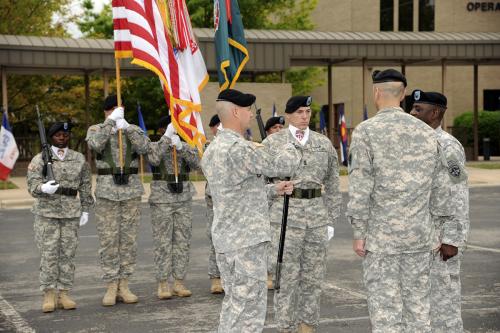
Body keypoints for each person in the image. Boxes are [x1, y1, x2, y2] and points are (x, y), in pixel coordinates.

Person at [347, 69, 455, 333]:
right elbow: (441, 188)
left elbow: (361, 186)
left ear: (376, 93)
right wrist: (438, 230)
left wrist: (359, 232)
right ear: (403, 93)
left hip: (382, 239)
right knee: (418, 309)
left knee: (385, 313)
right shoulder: (427, 133)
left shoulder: (366, 131)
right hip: (420, 237)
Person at [201, 89, 300, 333]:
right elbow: (286, 163)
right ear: (236, 111)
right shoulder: (239, 149)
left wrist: (272, 190)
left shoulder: (213, 149)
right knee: (250, 309)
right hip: (245, 242)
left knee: (235, 305)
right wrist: (289, 140)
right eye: (247, 110)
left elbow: (234, 192)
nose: (249, 115)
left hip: (229, 239)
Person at [263, 96, 341, 333]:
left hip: (316, 217)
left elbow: (334, 183)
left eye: (307, 111)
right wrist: (272, 191)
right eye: (299, 112)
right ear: (287, 116)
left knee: (313, 277)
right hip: (285, 218)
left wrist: (330, 219)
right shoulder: (272, 143)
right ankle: (285, 326)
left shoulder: (323, 143)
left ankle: (308, 325)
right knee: (285, 278)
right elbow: (258, 183)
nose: (305, 116)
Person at [410, 89, 469, 332]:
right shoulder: (416, 143)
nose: (412, 113)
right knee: (420, 305)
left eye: (418, 109)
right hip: (419, 237)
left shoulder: (447, 146)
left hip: (441, 239)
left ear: (435, 113)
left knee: (444, 304)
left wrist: (452, 239)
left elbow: (458, 194)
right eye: (412, 108)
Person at [86, 95, 150, 306]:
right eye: (111, 109)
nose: (115, 112)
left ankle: (124, 284)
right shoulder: (96, 129)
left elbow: (144, 149)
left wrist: (128, 127)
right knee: (109, 241)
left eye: (118, 109)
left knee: (128, 241)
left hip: (130, 191)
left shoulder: (132, 130)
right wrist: (110, 122)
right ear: (106, 111)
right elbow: (95, 145)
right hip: (107, 192)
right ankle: (111, 286)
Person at [27, 121, 93, 312]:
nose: (62, 138)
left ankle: (64, 293)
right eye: (58, 135)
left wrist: (86, 208)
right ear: (51, 137)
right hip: (46, 213)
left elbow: (86, 186)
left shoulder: (79, 158)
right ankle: (49, 294)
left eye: (65, 135)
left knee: (67, 254)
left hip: (71, 212)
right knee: (49, 254)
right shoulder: (39, 159)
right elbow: (32, 186)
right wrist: (43, 188)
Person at [147, 116, 200, 299]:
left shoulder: (185, 145)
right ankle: (163, 283)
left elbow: (197, 164)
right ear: (162, 130)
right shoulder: (155, 145)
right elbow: (153, 159)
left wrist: (182, 147)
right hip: (162, 198)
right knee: (163, 242)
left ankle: (179, 282)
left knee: (182, 242)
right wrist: (167, 139)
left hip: (183, 197)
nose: (173, 132)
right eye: (167, 129)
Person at [205, 114, 223, 294]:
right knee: (215, 239)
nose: (220, 128)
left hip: (233, 198)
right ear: (212, 129)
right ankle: (216, 278)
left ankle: (231, 276)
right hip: (215, 198)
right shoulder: (208, 146)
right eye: (218, 126)